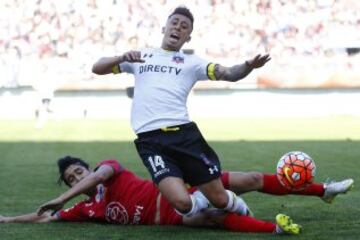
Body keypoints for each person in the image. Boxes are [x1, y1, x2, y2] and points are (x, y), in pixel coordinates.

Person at [91, 6, 271, 218]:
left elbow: (229, 73)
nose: (178, 27)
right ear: (164, 28)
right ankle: (204, 203)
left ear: (188, 37)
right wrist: (120, 57)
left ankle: (235, 206)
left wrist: (248, 66)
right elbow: (97, 68)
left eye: (184, 26)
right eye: (174, 23)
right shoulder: (141, 56)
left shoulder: (192, 63)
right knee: (182, 204)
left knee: (220, 199)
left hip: (184, 136)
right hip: (150, 141)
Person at [1, 156, 353, 234]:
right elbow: (45, 216)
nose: (79, 177)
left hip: (183, 186)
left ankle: (324, 190)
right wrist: (9, 219)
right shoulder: (87, 210)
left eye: (80, 171)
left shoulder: (109, 169)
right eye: (72, 178)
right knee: (208, 219)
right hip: (175, 214)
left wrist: (64, 196)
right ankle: (273, 228)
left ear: (89, 170)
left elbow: (102, 172)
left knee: (248, 179)